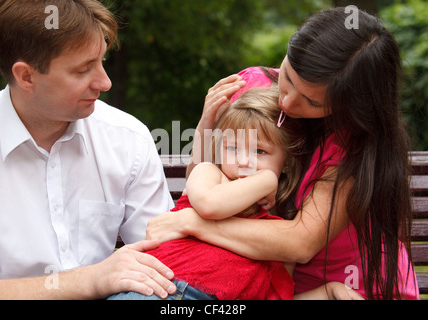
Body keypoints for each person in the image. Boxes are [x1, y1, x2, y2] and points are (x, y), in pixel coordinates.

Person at [146, 7, 420, 299]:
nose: (287, 101)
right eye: (288, 76)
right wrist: (206, 125)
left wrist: (194, 223)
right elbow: (206, 178)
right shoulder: (253, 87)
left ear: (350, 105)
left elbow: (300, 243)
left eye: (312, 102)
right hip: (262, 283)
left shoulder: (353, 142)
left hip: (350, 287)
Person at [0, 0, 177, 299]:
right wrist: (92, 279)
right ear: (26, 76)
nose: (105, 82)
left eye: (102, 62)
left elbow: (163, 265)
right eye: (84, 69)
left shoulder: (127, 138)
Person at [110, 87, 362, 300]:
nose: (243, 161)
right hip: (157, 290)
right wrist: (266, 178)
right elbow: (209, 205)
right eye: (233, 148)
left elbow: (274, 295)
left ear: (287, 161)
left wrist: (328, 293)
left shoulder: (277, 233)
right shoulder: (209, 175)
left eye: (260, 152)